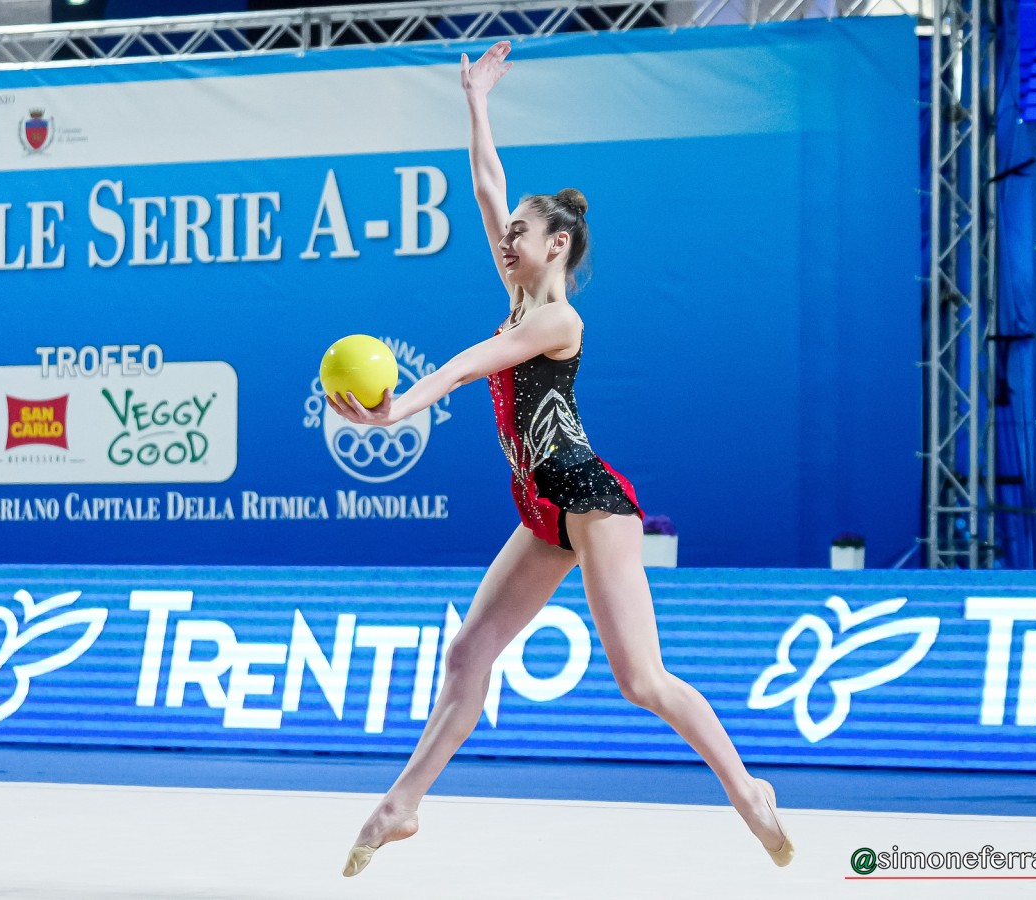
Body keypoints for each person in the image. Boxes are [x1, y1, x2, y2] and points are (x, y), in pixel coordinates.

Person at [327, 40, 794, 878]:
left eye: (520, 233)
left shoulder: (556, 321)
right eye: (506, 234)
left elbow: (466, 365)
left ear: (558, 244)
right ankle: (401, 807)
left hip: (590, 499)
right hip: (540, 506)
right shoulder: (519, 297)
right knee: (467, 653)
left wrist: (395, 410)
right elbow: (487, 184)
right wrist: (476, 100)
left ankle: (747, 788)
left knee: (641, 680)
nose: (505, 239)